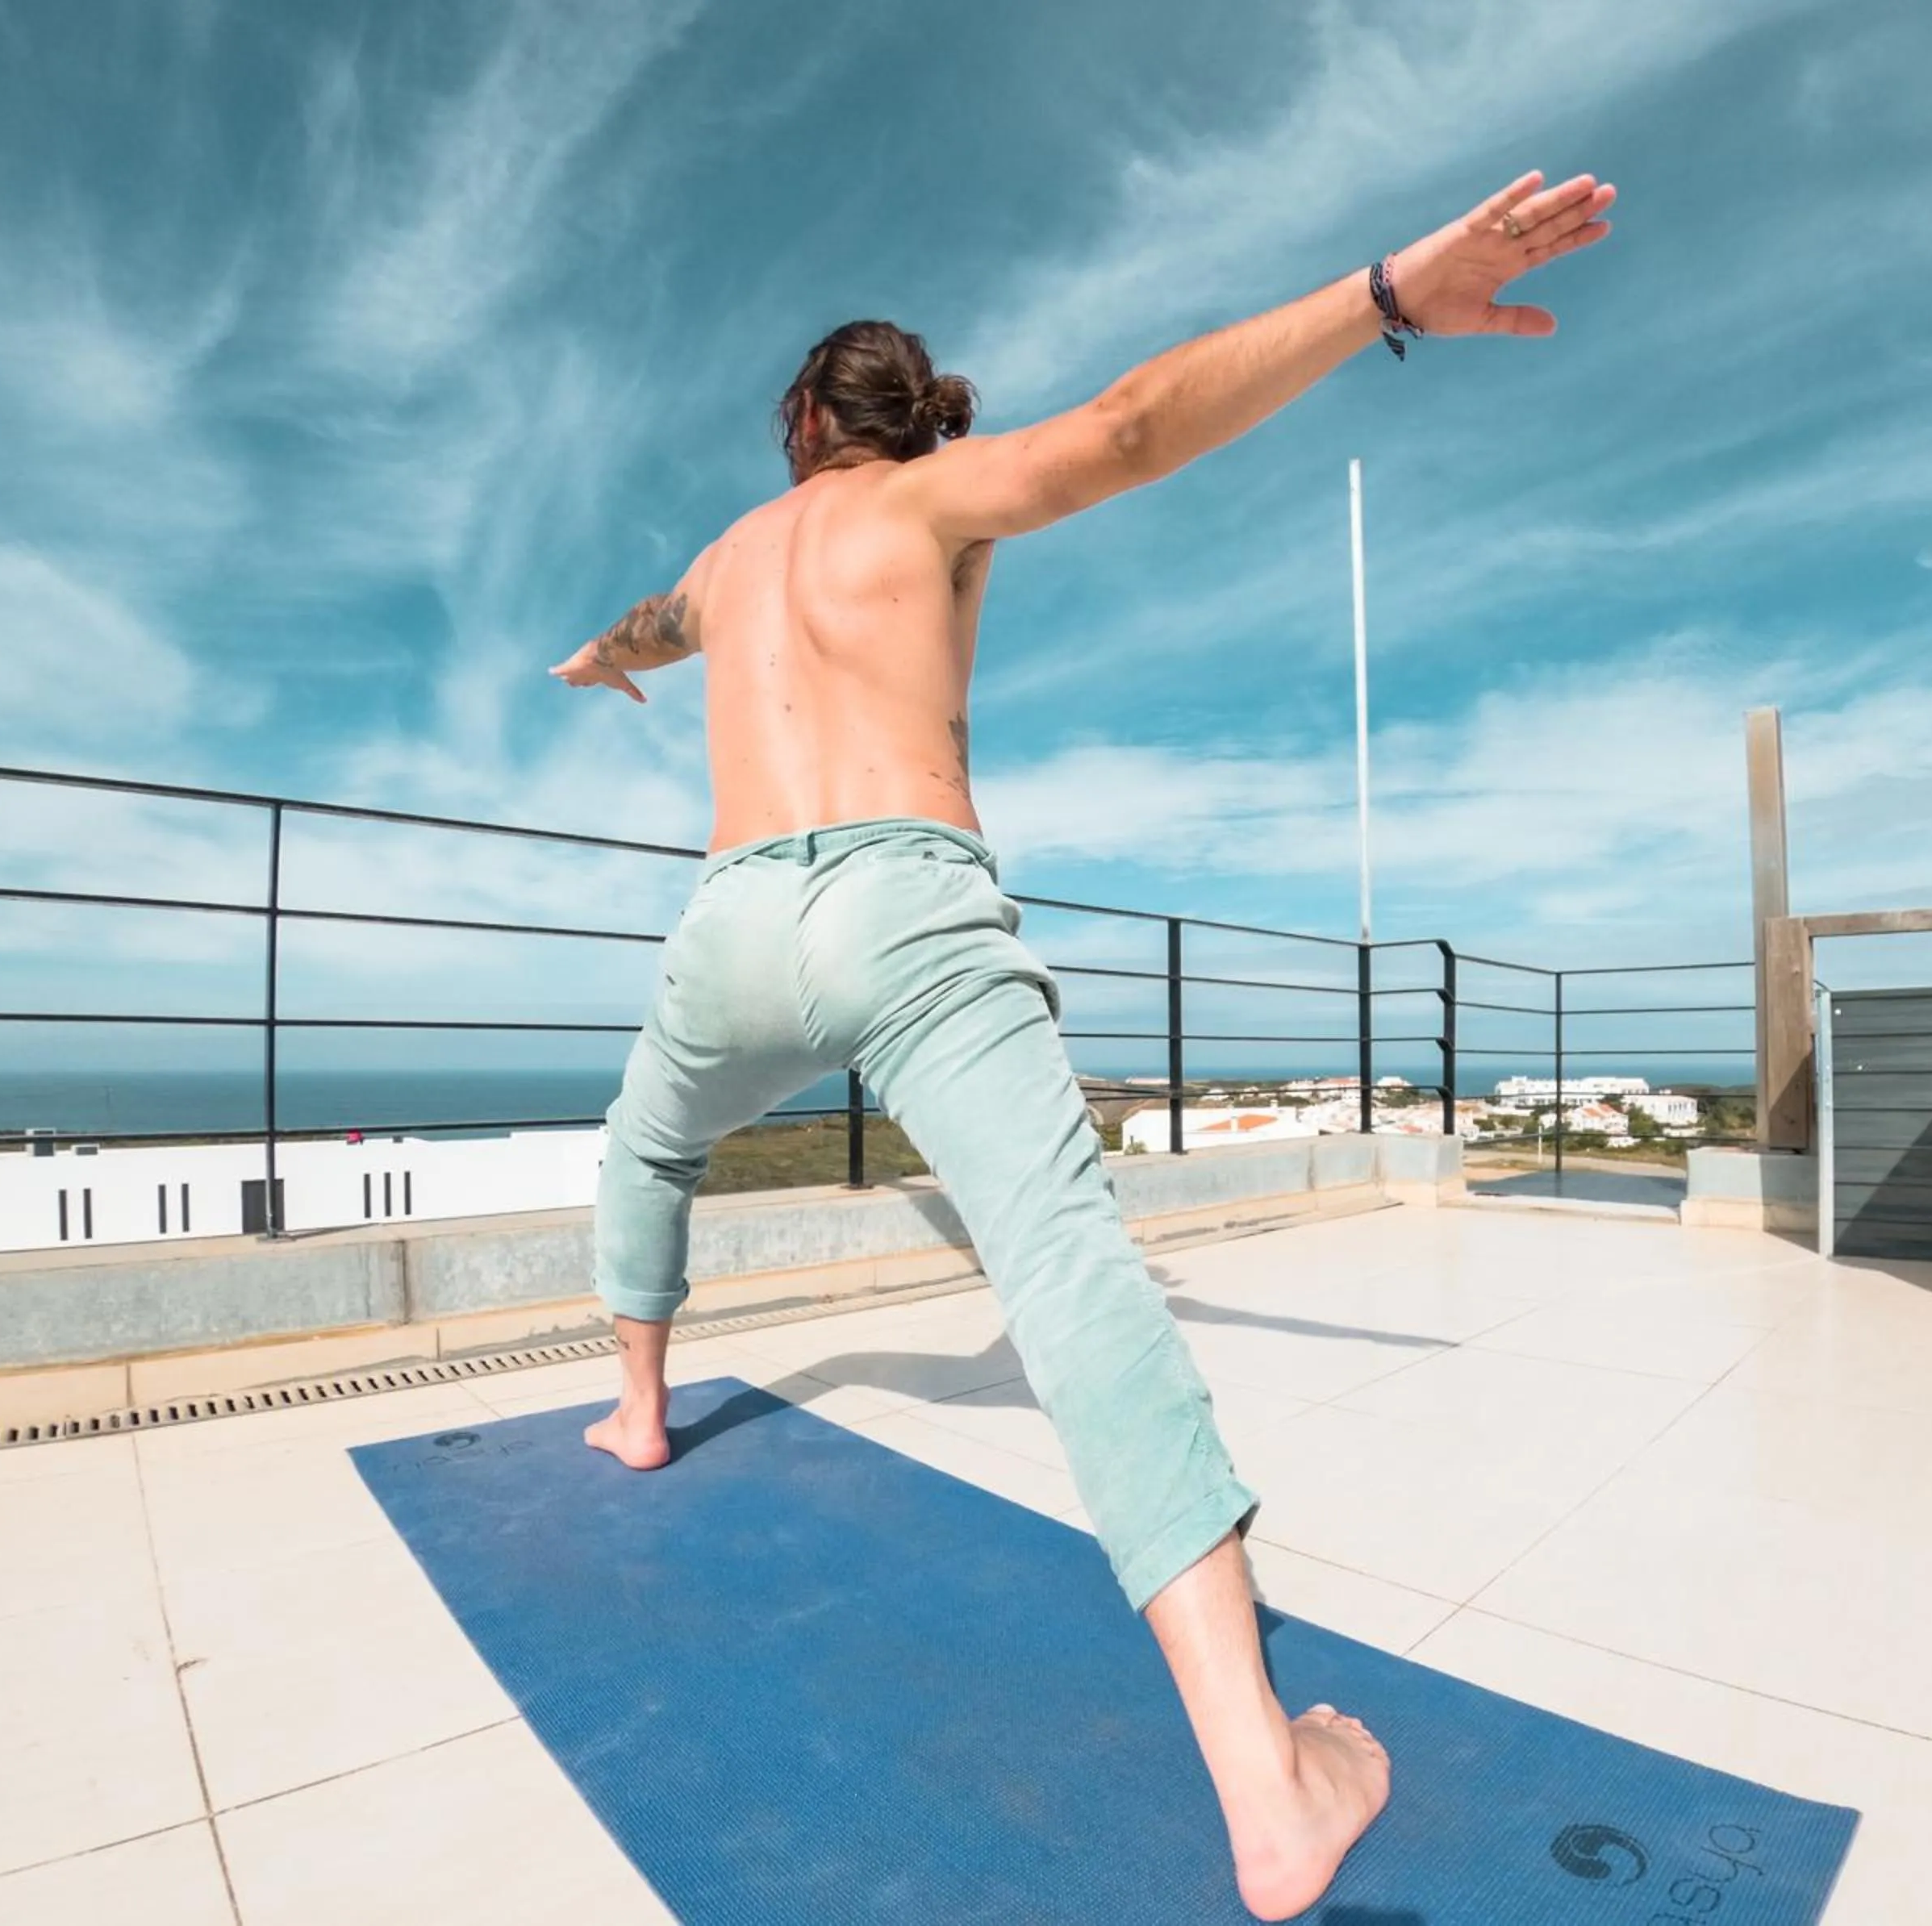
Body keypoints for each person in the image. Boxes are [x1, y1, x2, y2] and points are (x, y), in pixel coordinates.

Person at [551, 169, 1614, 1921]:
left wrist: (601, 659)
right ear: (901, 419)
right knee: (1064, 1274)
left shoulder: (727, 559)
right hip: (902, 901)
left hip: (734, 921)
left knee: (647, 1144)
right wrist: (1381, 296)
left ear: (803, 424)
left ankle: (640, 1413)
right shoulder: (939, 497)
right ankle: (1268, 1785)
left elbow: (650, 627)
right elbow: (1130, 425)